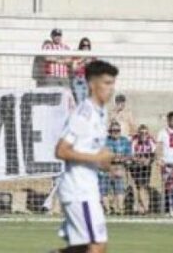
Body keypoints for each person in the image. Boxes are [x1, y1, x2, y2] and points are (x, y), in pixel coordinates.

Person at [52, 60, 119, 253]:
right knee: (97, 246)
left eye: (112, 83)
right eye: (106, 83)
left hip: (87, 187)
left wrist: (108, 166)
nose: (111, 89)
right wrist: (96, 158)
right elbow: (61, 150)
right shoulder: (84, 114)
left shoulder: (101, 113)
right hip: (78, 189)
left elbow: (91, 150)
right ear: (91, 84)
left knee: (83, 248)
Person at [101, 121, 132, 215]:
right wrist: (112, 157)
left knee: (120, 190)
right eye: (113, 130)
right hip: (106, 168)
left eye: (117, 130)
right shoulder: (104, 140)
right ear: (109, 131)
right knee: (104, 191)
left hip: (119, 167)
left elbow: (129, 155)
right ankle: (108, 210)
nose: (115, 132)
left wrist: (122, 158)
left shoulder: (125, 140)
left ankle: (120, 210)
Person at [129, 124, 156, 215]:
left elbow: (155, 153)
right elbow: (131, 155)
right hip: (136, 167)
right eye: (141, 133)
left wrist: (149, 160)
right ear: (138, 133)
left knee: (144, 187)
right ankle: (144, 207)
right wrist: (138, 160)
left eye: (145, 133)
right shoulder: (134, 141)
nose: (144, 135)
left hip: (147, 166)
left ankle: (142, 208)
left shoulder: (151, 141)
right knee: (139, 186)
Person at [70, 37, 94, 102]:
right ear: (81, 46)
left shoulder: (92, 56)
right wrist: (83, 61)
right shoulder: (76, 55)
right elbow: (74, 68)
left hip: (88, 79)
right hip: (79, 79)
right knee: (79, 101)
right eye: (84, 45)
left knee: (87, 102)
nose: (86, 47)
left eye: (88, 45)